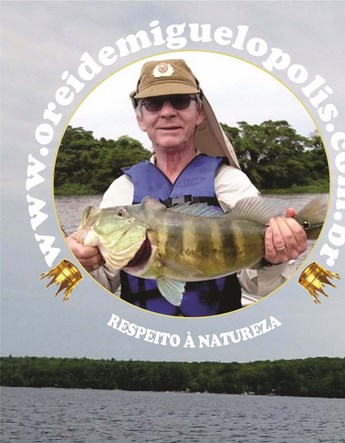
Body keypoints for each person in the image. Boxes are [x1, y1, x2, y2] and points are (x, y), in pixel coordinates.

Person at [66, 58, 307, 316]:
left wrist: (275, 256)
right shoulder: (121, 192)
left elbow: (259, 290)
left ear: (199, 113)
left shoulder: (230, 183)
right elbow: (102, 287)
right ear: (140, 118)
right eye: (153, 103)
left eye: (180, 101)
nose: (167, 112)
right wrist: (78, 264)